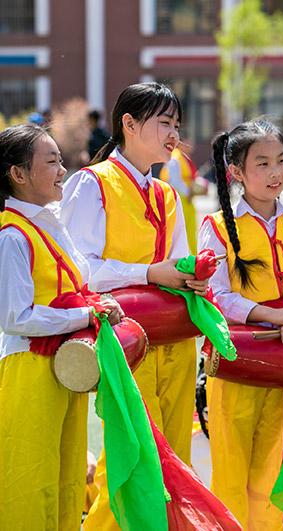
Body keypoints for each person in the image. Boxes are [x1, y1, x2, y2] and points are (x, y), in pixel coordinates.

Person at [60, 82, 205, 531]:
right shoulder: (92, 184)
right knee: (131, 459)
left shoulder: (165, 194)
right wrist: (148, 274)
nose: (173, 135)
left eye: (176, 126)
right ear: (128, 124)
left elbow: (174, 264)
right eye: (163, 123)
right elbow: (76, 268)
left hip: (175, 344)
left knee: (173, 461)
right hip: (126, 343)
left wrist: (191, 276)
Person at [198, 119, 283, 529]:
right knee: (231, 469)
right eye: (263, 163)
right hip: (237, 362)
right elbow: (215, 294)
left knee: (277, 467)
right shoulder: (218, 227)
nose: (275, 173)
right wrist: (273, 315)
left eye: (282, 161)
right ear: (236, 171)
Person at [0, 124, 121, 529]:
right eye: (50, 161)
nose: (62, 169)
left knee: (67, 478)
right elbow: (16, 316)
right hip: (29, 369)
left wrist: (94, 305)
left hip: (65, 368)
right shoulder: (11, 235)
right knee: (29, 484)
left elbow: (72, 287)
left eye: (59, 159)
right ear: (18, 174)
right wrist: (84, 316)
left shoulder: (49, 222)